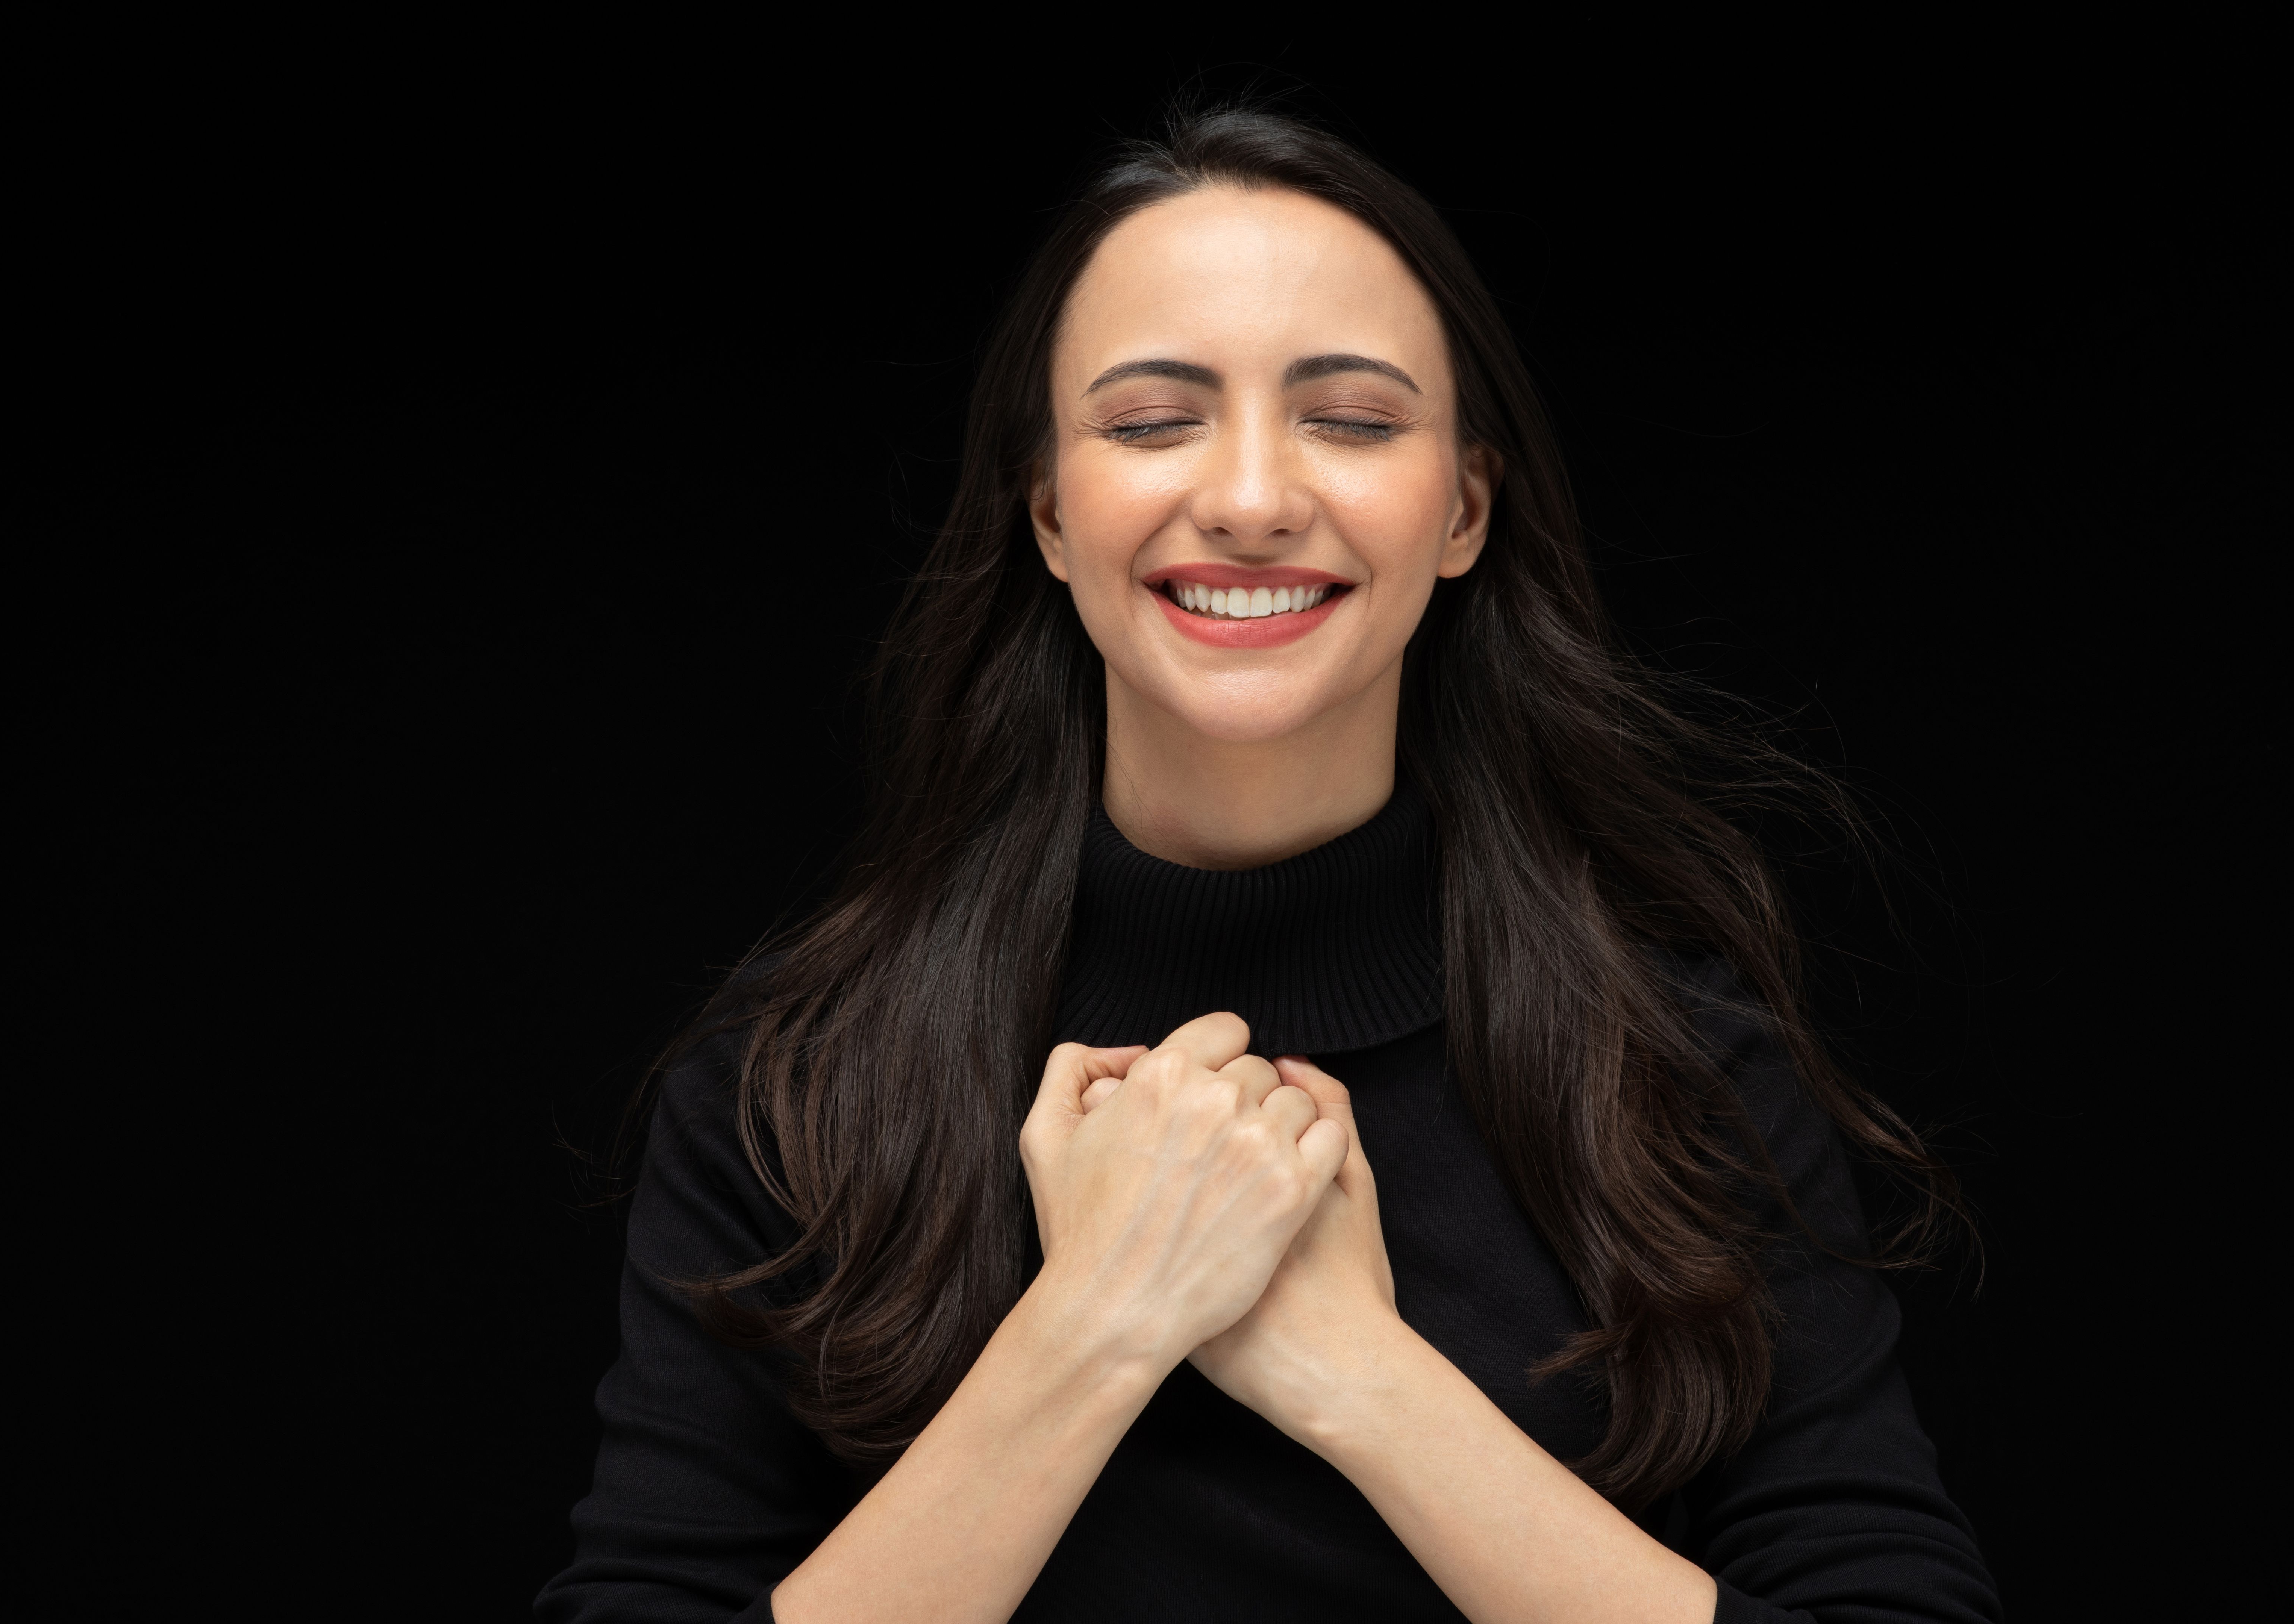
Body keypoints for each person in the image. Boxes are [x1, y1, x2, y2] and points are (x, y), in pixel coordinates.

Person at [538, 108, 2000, 1624]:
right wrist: (1101, 1323)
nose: (1250, 500)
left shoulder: (1681, 1072)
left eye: (1352, 421)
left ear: (1465, 509)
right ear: (1049, 511)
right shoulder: (793, 1089)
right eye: (1151, 422)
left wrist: (1357, 1378)